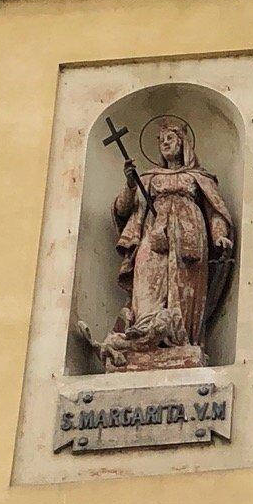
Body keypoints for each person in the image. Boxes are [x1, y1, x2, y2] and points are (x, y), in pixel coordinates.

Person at [100, 118, 235, 372]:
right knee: (147, 288)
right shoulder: (149, 178)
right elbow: (123, 209)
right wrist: (130, 184)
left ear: (183, 142)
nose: (164, 144)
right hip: (153, 237)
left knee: (183, 291)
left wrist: (219, 234)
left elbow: (215, 210)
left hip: (189, 240)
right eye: (161, 141)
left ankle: (182, 342)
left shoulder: (198, 177)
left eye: (169, 139)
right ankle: (141, 339)